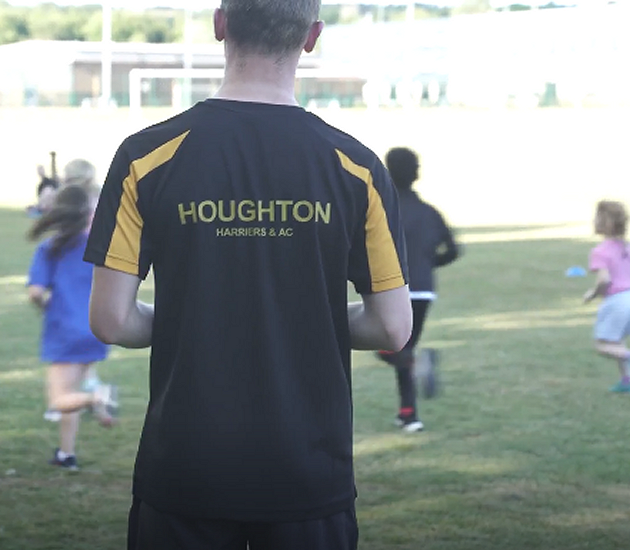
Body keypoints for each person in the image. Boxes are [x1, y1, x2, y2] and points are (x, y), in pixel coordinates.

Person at [84, 1, 413, 548]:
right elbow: (392, 328)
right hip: (307, 471)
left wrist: (204, 318)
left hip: (186, 467)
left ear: (220, 25)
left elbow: (111, 320)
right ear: (311, 37)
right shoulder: (356, 166)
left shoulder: (145, 156)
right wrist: (302, 318)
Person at [27, 178, 119, 471]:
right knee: (72, 393)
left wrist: (44, 306)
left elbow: (35, 292)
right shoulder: (100, 246)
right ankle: (67, 455)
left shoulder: (49, 248)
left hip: (65, 332)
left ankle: (97, 397)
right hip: (96, 331)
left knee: (59, 399)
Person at [376, 147, 461, 432]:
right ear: (416, 173)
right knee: (402, 347)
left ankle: (411, 407)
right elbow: (453, 250)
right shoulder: (429, 212)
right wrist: (428, 264)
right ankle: (408, 415)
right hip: (423, 290)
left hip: (391, 287)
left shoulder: (382, 208)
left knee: (394, 348)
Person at [584, 200, 630, 393]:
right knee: (616, 340)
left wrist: (592, 294)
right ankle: (626, 381)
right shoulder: (627, 247)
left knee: (602, 345)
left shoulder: (600, 251)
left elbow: (604, 281)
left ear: (603, 223)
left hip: (618, 302)